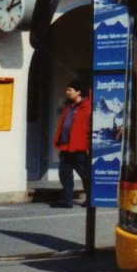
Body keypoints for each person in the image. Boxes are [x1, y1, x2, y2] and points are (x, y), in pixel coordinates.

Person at [52, 78, 91, 208]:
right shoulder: (68, 106)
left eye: (70, 90)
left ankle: (90, 198)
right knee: (64, 174)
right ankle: (67, 200)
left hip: (79, 147)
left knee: (84, 174)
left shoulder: (87, 107)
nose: (67, 92)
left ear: (78, 92)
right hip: (66, 147)